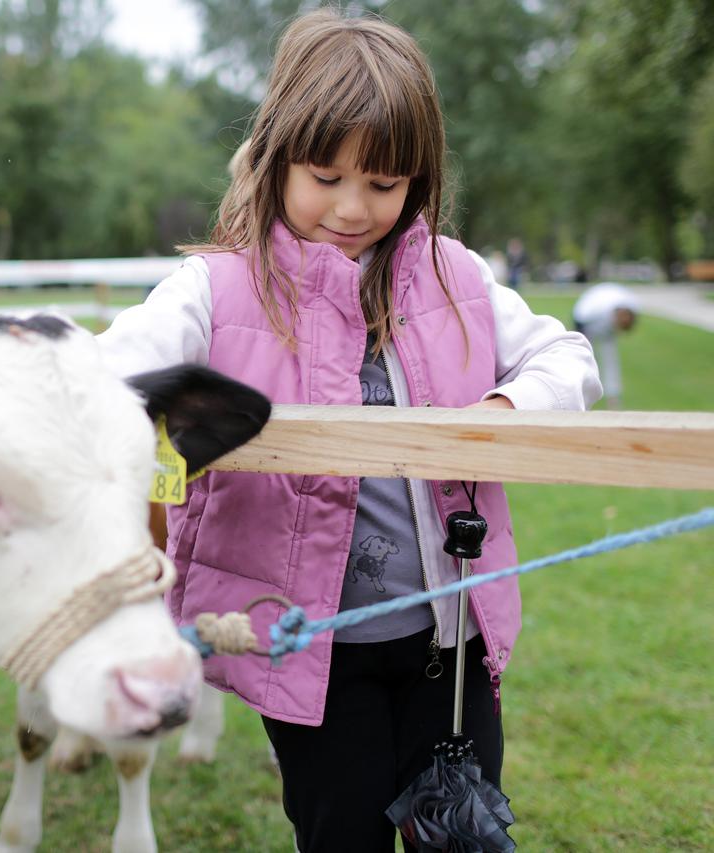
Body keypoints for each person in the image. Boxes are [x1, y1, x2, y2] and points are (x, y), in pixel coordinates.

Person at [97, 10, 601, 851]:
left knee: (465, 835)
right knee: (341, 834)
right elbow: (114, 371)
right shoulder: (214, 291)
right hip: (313, 656)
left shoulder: (456, 276)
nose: (354, 207)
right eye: (326, 176)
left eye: (385, 182)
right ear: (275, 156)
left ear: (419, 178)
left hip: (451, 643)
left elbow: (568, 356)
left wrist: (502, 414)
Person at [573, 282, 638, 410]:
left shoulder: (631, 306)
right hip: (585, 322)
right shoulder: (591, 311)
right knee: (584, 361)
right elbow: (580, 319)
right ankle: (579, 397)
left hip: (602, 320)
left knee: (610, 361)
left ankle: (613, 401)